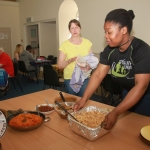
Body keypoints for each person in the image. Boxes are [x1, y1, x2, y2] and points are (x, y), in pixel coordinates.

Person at [74, 9, 150, 130]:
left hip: (146, 97)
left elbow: (141, 86)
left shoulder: (142, 50)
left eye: (109, 32)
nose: (106, 36)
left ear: (124, 30)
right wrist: (84, 99)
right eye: (105, 32)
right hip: (128, 94)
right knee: (127, 131)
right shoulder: (110, 50)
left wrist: (115, 112)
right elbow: (98, 74)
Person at [58, 19, 96, 97]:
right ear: (69, 30)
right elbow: (60, 65)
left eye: (76, 27)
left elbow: (92, 61)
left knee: (83, 101)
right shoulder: (64, 45)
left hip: (84, 78)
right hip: (70, 78)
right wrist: (70, 60)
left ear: (80, 29)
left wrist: (88, 66)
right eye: (72, 28)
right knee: (72, 102)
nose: (75, 30)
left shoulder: (87, 43)